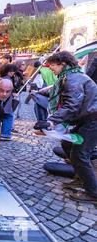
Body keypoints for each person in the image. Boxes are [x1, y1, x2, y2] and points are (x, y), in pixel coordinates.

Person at [42, 52, 97, 204]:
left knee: (80, 155)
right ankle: (82, 179)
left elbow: (72, 105)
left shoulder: (72, 79)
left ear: (63, 64)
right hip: (87, 118)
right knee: (67, 144)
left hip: (92, 120)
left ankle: (93, 193)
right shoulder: (71, 77)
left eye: (53, 64)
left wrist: (51, 121)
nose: (50, 67)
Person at [0, 63, 21, 141]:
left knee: (0, 117)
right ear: (9, 71)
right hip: (6, 101)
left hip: (3, 101)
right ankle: (5, 134)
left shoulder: (1, 78)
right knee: (8, 116)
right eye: (13, 71)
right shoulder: (7, 79)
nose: (14, 73)